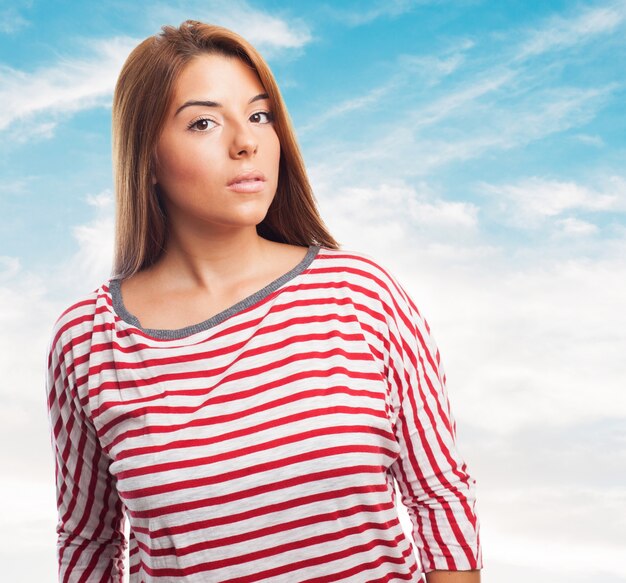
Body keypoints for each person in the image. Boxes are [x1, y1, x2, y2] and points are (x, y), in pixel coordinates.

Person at [45, 20, 482, 582]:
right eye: (204, 122)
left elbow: (440, 499)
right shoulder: (88, 341)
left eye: (259, 115)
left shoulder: (363, 293)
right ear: (147, 157)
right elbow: (88, 543)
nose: (245, 142)